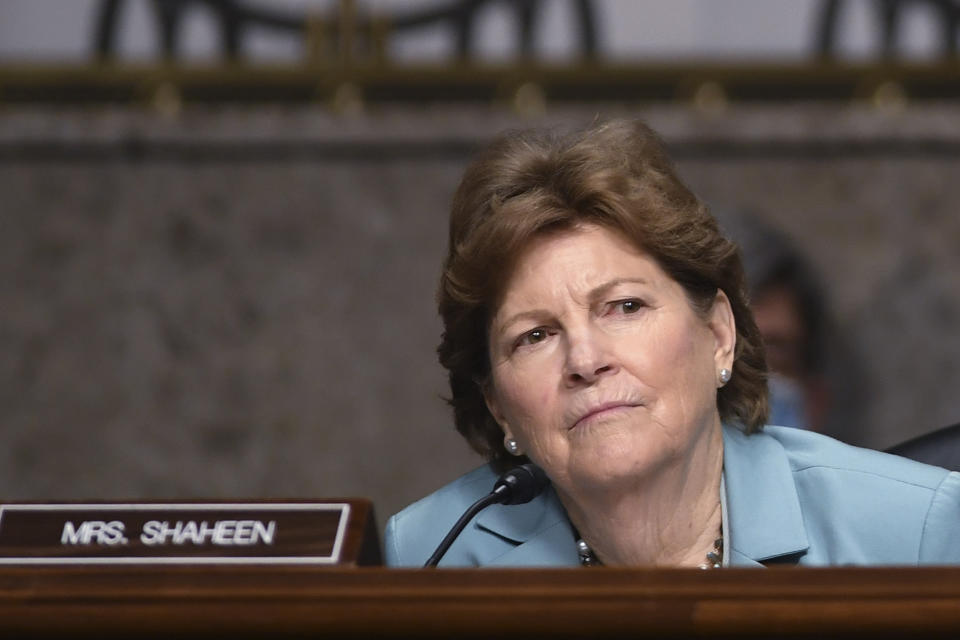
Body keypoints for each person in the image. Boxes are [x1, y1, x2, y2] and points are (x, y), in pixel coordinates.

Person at [385, 119, 960, 568]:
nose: (585, 361)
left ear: (718, 335)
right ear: (497, 407)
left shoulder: (914, 529)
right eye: (535, 336)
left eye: (625, 307)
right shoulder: (429, 553)